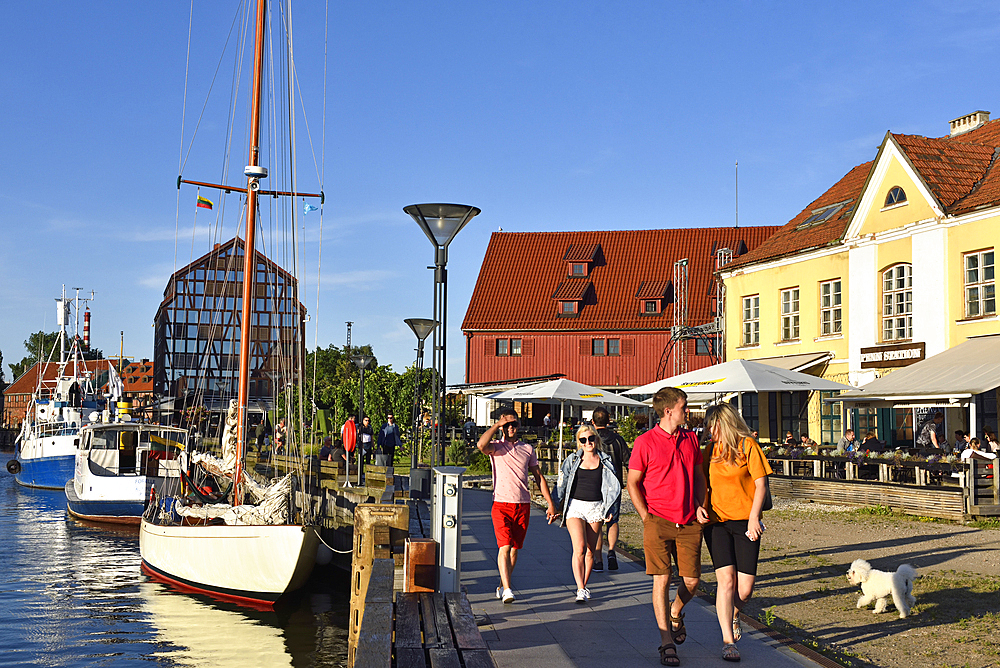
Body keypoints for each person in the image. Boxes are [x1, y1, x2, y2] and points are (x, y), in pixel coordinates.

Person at [627, 387, 708, 668]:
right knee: (661, 579)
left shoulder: (690, 439)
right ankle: (666, 642)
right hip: (657, 520)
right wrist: (645, 517)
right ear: (668, 411)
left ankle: (676, 611)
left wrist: (700, 502)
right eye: (684, 407)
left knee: (692, 581)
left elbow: (699, 476)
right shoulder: (645, 442)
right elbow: (633, 483)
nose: (688, 411)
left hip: (688, 521)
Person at [701, 403, 773, 663]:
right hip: (716, 522)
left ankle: (733, 613)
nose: (708, 430)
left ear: (724, 423)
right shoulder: (710, 450)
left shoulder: (748, 446)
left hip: (746, 522)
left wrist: (754, 517)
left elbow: (761, 483)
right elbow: (703, 484)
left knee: (744, 589)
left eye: (712, 425)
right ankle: (727, 641)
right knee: (726, 581)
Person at [477, 409, 558, 605]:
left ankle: (502, 584)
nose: (510, 428)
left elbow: (538, 476)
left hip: (522, 504)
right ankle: (507, 589)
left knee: (514, 549)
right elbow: (481, 445)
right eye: (507, 425)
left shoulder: (527, 449)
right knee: (504, 546)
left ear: (519, 426)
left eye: (513, 424)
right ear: (502, 428)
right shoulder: (495, 447)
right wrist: (497, 424)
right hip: (501, 504)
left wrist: (550, 504)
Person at [553, 424, 621, 603]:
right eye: (583, 440)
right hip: (575, 507)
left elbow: (614, 489)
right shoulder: (572, 460)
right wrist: (554, 506)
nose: (588, 442)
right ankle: (580, 588)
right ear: (579, 442)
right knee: (580, 547)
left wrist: (611, 511)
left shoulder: (605, 461)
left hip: (596, 508)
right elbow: (561, 484)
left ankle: (583, 585)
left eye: (591, 438)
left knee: (591, 551)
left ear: (596, 439)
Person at [591, 406, 629, 572]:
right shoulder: (618, 440)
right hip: (614, 486)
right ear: (609, 421)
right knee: (613, 520)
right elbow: (629, 461)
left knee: (597, 521)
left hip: (594, 485)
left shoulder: (590, 439)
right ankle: (612, 551)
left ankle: (598, 559)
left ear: (593, 422)